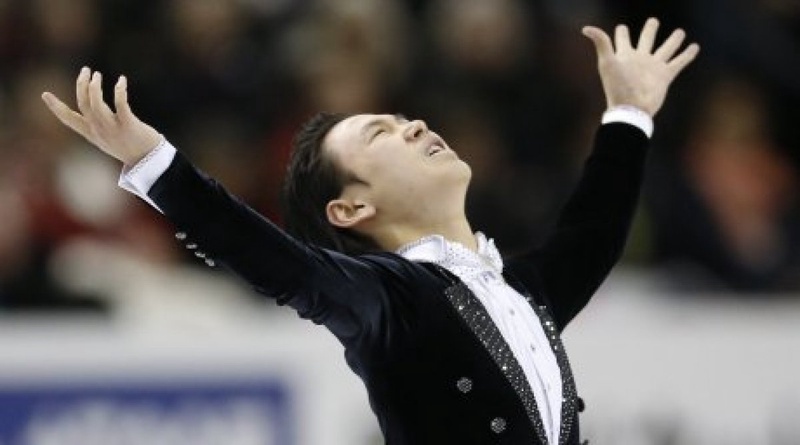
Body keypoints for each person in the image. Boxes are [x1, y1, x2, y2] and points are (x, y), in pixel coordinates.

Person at [41, 18, 698, 445]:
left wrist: (629, 112)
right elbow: (277, 261)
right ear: (348, 209)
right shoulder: (390, 301)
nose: (413, 126)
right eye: (381, 132)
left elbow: (594, 231)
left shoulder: (521, 291)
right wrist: (155, 163)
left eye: (405, 119)